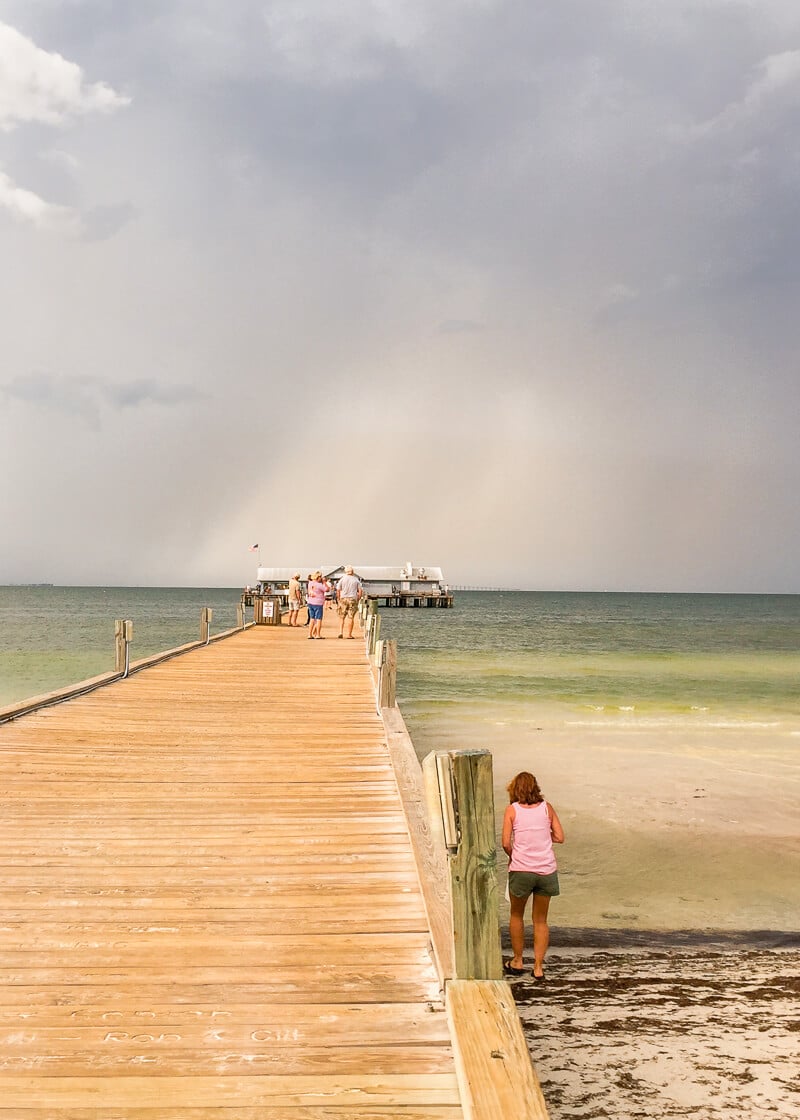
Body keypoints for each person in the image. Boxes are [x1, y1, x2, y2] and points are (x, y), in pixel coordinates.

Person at [501, 771, 564, 981]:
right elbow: (560, 837)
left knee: (516, 915)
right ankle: (538, 968)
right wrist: (543, 840)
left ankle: (518, 960)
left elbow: (505, 843)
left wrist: (514, 854)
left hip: (521, 870)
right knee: (540, 920)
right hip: (546, 870)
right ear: (535, 787)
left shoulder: (512, 810)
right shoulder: (547, 808)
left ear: (515, 789)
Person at [336, 565, 363, 638]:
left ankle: (340, 632)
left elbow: (338, 590)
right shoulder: (356, 580)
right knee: (351, 617)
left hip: (343, 598)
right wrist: (358, 599)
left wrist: (338, 599)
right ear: (352, 572)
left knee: (342, 617)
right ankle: (349, 634)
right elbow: (360, 591)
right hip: (352, 598)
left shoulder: (342, 579)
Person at [305, 571, 328, 639]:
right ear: (318, 577)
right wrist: (324, 582)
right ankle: (318, 634)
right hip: (318, 603)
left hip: (310, 602)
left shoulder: (310, 583)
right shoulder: (319, 585)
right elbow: (326, 589)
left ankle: (310, 634)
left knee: (312, 619)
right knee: (318, 619)